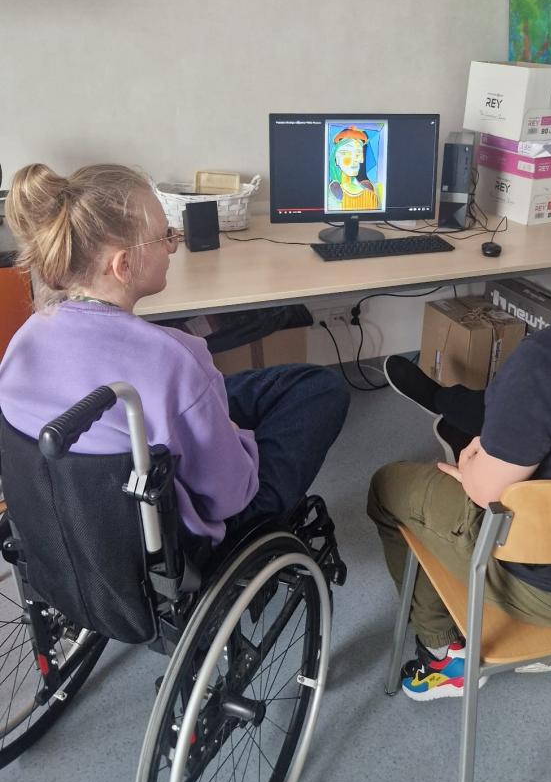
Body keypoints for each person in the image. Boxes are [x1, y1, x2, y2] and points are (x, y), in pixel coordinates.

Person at [368, 119, 551, 702]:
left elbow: (485, 490)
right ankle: (461, 412)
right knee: (518, 420)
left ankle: (446, 654)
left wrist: (473, 465)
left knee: (390, 487)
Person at [0, 163, 349, 549]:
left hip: (76, 532)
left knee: (273, 387)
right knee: (322, 388)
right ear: (123, 265)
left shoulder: (24, 340)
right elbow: (230, 496)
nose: (172, 246)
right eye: (164, 236)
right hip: (176, 536)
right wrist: (236, 437)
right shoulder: (174, 358)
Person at [327, 126, 380, 211]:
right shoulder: (330, 194)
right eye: (346, 153)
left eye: (358, 153)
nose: (356, 159)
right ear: (336, 159)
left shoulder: (370, 192)